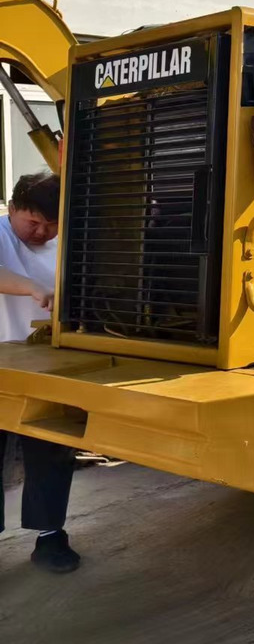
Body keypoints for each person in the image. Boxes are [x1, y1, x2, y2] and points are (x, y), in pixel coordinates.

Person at [0, 171, 80, 574]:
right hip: (1, 365)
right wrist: (32, 287)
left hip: (48, 366)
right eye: (33, 222)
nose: (42, 232)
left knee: (50, 449)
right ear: (12, 209)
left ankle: (50, 538)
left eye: (52, 225)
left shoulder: (66, 240)